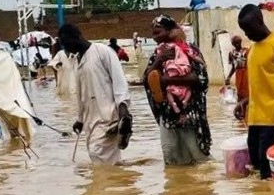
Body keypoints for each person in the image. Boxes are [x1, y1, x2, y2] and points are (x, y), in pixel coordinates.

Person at [234, 4, 274, 180]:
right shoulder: (253, 49)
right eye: (243, 30)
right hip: (254, 117)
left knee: (267, 165)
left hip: (273, 118)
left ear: (260, 21)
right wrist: (244, 102)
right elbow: (260, 85)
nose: (246, 34)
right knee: (255, 162)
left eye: (248, 29)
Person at [59, 23, 133, 165]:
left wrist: (123, 111)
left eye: (67, 43)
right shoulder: (77, 61)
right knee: (104, 160)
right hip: (90, 121)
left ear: (77, 36)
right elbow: (82, 94)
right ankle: (120, 183)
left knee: (97, 153)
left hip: (108, 117)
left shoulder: (103, 51)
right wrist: (80, 120)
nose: (66, 48)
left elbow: (119, 82)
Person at [143, 15, 212, 165]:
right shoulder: (158, 54)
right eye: (153, 33)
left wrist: (165, 80)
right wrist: (159, 60)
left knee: (199, 157)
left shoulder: (189, 50)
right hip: (167, 115)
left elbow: (200, 79)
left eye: (158, 32)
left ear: (169, 30)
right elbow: (148, 80)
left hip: (190, 113)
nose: (155, 37)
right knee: (171, 157)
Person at [225, 36, 250, 101]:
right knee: (239, 91)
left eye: (238, 43)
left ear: (240, 42)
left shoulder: (247, 51)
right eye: (235, 43)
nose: (237, 45)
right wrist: (228, 77)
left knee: (247, 91)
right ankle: (240, 105)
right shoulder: (231, 53)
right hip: (238, 73)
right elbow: (233, 67)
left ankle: (246, 104)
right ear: (233, 44)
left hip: (246, 72)